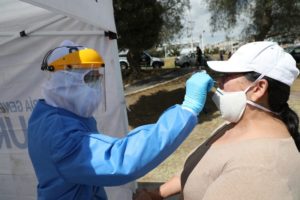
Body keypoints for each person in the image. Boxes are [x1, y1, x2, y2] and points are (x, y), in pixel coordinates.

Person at [27, 40, 213, 200]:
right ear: (65, 80)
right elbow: (120, 160)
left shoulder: (51, 115)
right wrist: (187, 110)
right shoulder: (59, 130)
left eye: (97, 79)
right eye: (90, 79)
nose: (96, 88)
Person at [133, 41, 300, 200]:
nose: (219, 82)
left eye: (227, 76)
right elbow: (202, 170)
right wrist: (158, 193)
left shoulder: (258, 169)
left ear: (258, 88)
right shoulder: (233, 126)